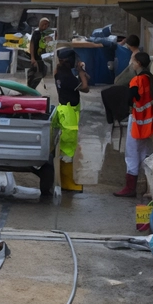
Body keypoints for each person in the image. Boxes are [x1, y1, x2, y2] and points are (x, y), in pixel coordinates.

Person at [114, 52, 153, 198]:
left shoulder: (137, 80)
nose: (132, 64)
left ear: (139, 64)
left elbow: (130, 99)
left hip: (137, 122)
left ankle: (130, 188)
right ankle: (150, 188)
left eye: (133, 62)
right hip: (151, 123)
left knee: (132, 155)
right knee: (147, 154)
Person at [51, 48, 90, 192]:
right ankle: (67, 182)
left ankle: (64, 180)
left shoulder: (59, 73)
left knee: (64, 148)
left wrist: (80, 72)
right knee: (68, 149)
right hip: (69, 115)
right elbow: (85, 87)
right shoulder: (69, 77)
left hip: (64, 109)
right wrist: (80, 72)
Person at [28, 18, 51, 90]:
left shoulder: (43, 33)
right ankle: (31, 87)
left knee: (40, 72)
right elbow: (32, 45)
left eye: (47, 25)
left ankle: (32, 88)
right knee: (38, 72)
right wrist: (32, 57)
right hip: (35, 57)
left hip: (39, 57)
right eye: (44, 24)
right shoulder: (36, 33)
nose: (45, 26)